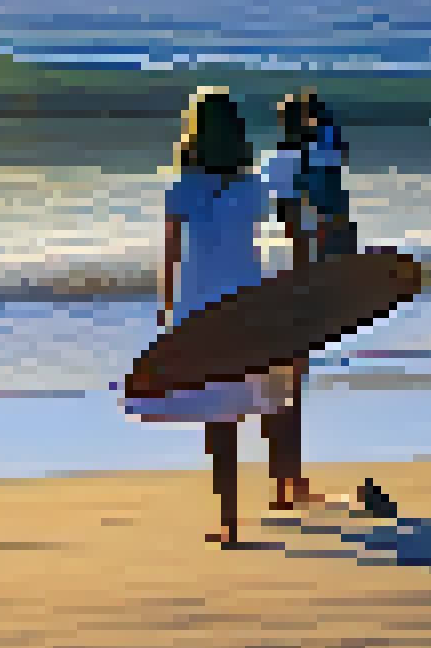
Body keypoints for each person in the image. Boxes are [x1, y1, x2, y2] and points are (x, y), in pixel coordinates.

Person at [124, 87, 317, 546]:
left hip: (200, 305)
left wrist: (167, 309)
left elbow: (170, 257)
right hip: (248, 302)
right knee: (265, 393)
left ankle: (229, 518)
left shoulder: (181, 189)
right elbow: (288, 229)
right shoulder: (253, 189)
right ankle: (283, 485)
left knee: (218, 415)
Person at [261, 93, 315, 270]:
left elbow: (276, 192)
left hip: (294, 208)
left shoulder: (282, 153)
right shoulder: (302, 152)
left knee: (300, 246)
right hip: (298, 209)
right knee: (303, 246)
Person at [300, 91, 356, 257]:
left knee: (325, 229)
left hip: (322, 188)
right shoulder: (330, 129)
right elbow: (342, 154)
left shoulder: (315, 133)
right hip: (331, 187)